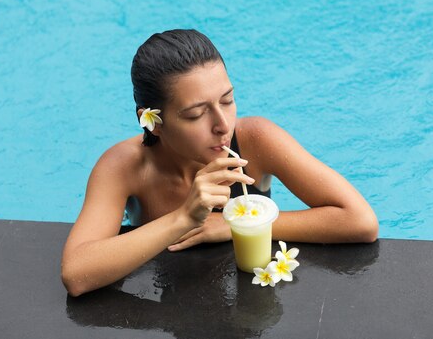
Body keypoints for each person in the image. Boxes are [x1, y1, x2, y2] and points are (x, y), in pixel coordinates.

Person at [61, 29, 378, 297]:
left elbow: (360, 221)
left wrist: (234, 225)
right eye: (196, 114)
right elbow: (77, 274)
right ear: (153, 122)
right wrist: (183, 218)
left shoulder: (255, 140)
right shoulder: (125, 167)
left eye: (227, 100)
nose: (222, 124)